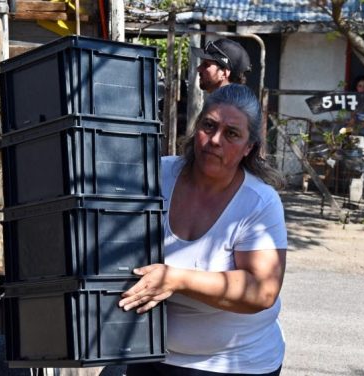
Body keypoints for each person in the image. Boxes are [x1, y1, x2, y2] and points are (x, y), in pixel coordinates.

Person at [119, 84, 287, 376]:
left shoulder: (259, 202)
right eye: (208, 126)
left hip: (236, 363)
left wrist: (177, 279)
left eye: (232, 133)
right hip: (150, 353)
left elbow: (263, 291)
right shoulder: (156, 175)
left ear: (250, 147)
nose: (215, 140)